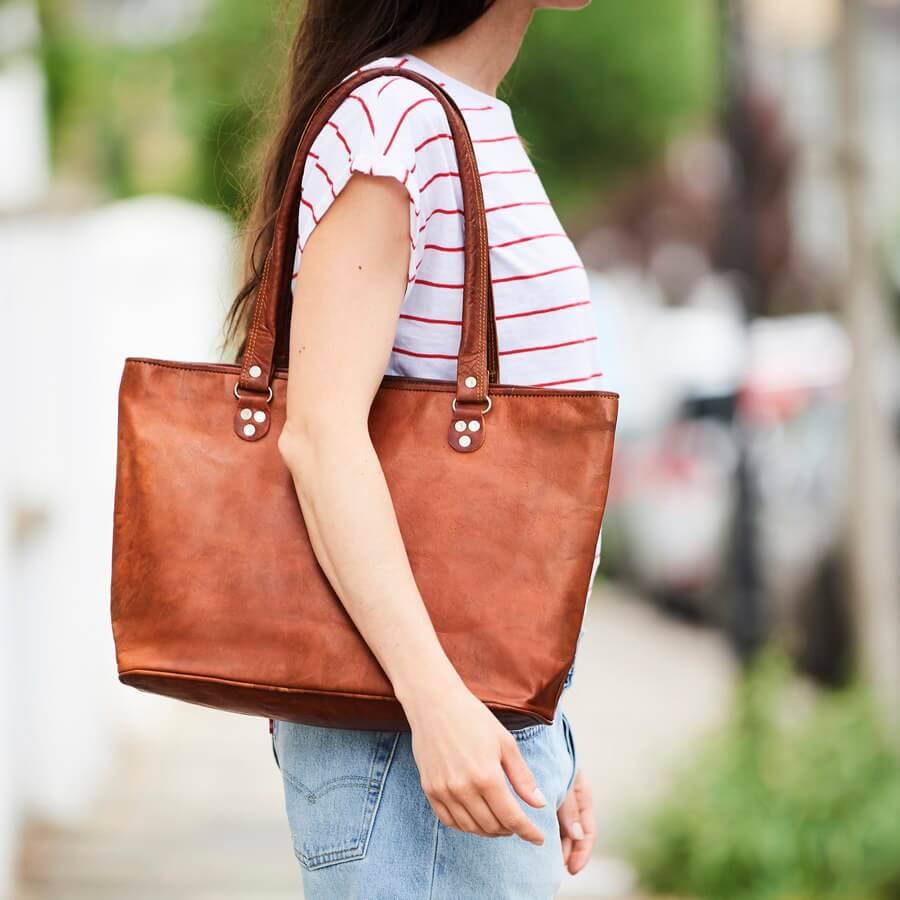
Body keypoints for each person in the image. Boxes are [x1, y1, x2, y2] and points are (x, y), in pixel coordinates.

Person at [224, 1, 602, 896]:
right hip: (416, 741)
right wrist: (438, 706)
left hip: (475, 727)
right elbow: (320, 436)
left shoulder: (465, 118)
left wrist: (547, 725)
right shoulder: (396, 122)